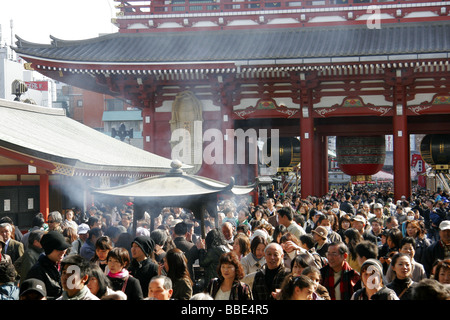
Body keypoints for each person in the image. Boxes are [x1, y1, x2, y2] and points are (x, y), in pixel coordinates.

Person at [25, 231, 70, 300]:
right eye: (59, 249)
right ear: (49, 250)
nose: (63, 251)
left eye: (64, 248)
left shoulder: (65, 266)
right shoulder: (37, 271)